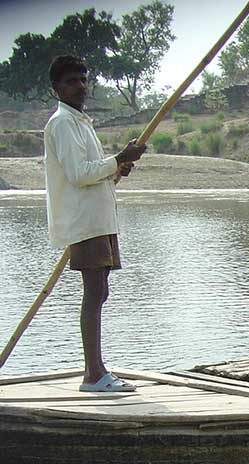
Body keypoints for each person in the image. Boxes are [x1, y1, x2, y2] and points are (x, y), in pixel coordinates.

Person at [44, 56, 147, 393]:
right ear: (57, 88)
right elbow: (77, 174)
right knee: (93, 292)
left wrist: (118, 169)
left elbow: (94, 170)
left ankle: (98, 370)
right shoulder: (62, 124)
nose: (81, 86)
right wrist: (118, 159)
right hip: (84, 221)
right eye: (72, 81)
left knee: (100, 291)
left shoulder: (80, 122)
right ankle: (93, 375)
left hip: (99, 219)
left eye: (84, 79)